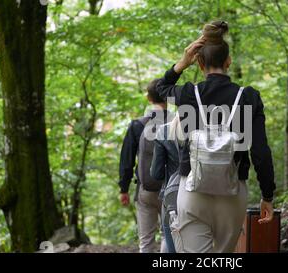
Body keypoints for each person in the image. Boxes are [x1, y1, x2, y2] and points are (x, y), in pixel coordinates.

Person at [156, 21, 276, 253]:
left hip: (192, 191)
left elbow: (161, 88)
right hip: (232, 192)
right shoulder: (249, 97)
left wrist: (181, 63)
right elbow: (261, 152)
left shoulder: (189, 93)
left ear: (199, 63)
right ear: (228, 61)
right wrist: (267, 195)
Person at [118, 79, 171, 253]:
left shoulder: (137, 125)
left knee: (146, 240)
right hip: (171, 189)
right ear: (168, 98)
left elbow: (127, 160)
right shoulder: (178, 123)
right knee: (168, 235)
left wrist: (123, 189)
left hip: (145, 189)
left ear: (149, 98)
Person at [150, 114, 183, 253]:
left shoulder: (164, 131)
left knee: (169, 239)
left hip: (174, 196)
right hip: (208, 193)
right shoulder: (212, 129)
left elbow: (156, 174)